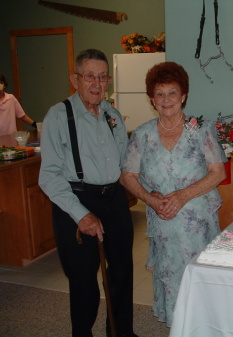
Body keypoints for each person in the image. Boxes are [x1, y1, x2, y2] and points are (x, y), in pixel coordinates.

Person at [39, 49, 138, 337]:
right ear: (75, 79)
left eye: (103, 77)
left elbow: (124, 165)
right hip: (76, 200)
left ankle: (121, 332)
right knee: (83, 280)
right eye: (89, 76)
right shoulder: (59, 116)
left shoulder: (112, 114)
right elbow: (49, 176)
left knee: (121, 272)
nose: (97, 83)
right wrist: (82, 215)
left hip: (114, 200)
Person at [120, 62, 227, 326]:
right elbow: (127, 176)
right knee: (169, 277)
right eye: (160, 93)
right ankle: (177, 327)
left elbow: (218, 173)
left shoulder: (201, 129)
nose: (166, 99)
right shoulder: (141, 135)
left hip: (198, 221)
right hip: (163, 220)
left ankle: (204, 327)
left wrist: (182, 195)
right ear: (151, 99)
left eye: (172, 93)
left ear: (183, 96)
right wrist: (151, 199)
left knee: (199, 276)